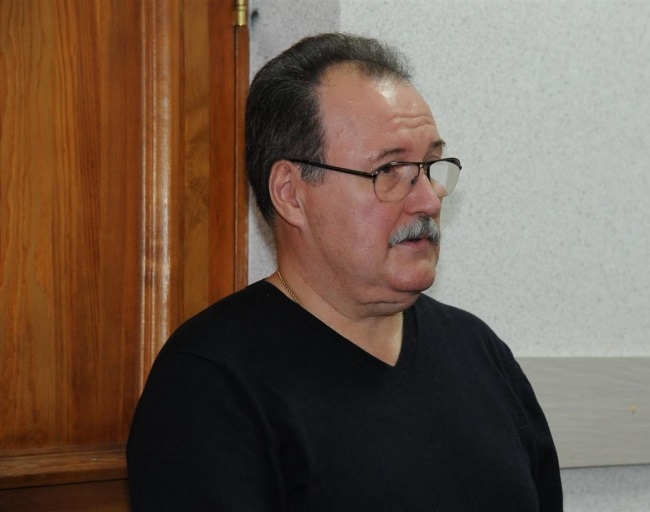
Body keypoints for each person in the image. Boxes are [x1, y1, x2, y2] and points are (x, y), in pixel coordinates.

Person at [127, 32, 563, 511]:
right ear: (291, 193)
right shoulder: (209, 382)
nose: (428, 200)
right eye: (390, 170)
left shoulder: (478, 351)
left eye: (430, 165)